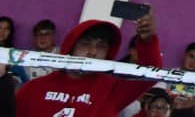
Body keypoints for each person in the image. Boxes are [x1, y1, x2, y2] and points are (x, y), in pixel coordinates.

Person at [15, 14, 163, 117]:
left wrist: (148, 40)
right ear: (70, 48)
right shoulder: (33, 89)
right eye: (85, 44)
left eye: (101, 46)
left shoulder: (113, 89)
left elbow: (151, 73)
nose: (92, 52)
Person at [167, 44, 195, 112]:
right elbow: (159, 95)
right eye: (191, 56)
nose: (193, 62)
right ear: (184, 55)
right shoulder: (169, 74)